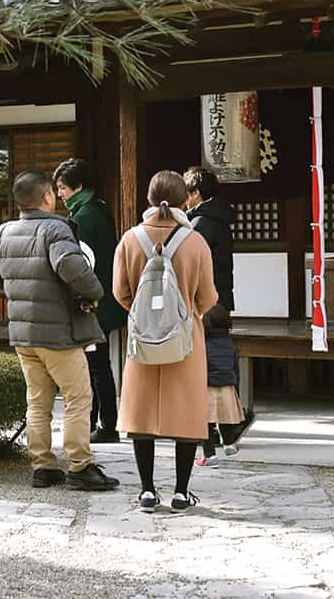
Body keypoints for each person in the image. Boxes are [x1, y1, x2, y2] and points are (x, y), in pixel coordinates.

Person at [0, 170, 119, 492]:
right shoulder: (55, 229)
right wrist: (95, 292)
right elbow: (72, 268)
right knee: (78, 397)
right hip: (59, 333)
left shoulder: (3, 231)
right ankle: (80, 465)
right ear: (47, 197)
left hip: (23, 334)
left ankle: (42, 466)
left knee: (38, 401)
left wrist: (12, 286)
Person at [114, 170, 218, 514]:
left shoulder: (130, 239)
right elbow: (208, 297)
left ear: (149, 198)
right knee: (186, 415)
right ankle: (180, 492)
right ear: (184, 199)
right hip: (185, 337)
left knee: (141, 415)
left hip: (143, 337)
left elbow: (119, 292)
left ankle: (146, 490)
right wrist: (185, 314)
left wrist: (144, 315)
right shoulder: (195, 241)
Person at [53, 157, 126, 444]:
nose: (59, 194)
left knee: (95, 366)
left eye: (62, 188)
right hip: (104, 301)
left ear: (78, 186)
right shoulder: (99, 209)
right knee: (96, 364)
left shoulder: (83, 218)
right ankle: (99, 423)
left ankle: (106, 425)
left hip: (92, 305)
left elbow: (81, 267)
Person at [195, 304, 245, 468]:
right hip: (227, 387)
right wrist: (235, 386)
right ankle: (229, 444)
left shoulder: (202, 344)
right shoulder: (229, 343)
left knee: (207, 424)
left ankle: (209, 457)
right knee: (226, 419)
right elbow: (235, 368)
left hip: (207, 387)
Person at [183, 166, 236, 312]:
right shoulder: (220, 217)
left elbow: (191, 266)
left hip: (205, 302)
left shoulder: (200, 223)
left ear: (196, 193)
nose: (185, 201)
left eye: (186, 194)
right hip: (222, 299)